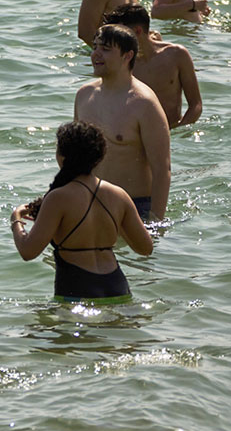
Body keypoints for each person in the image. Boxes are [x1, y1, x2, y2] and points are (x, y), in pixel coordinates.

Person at [10, 122, 152, 302]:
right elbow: (145, 248)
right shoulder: (119, 195)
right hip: (117, 287)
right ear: (99, 157)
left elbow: (28, 251)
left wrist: (16, 220)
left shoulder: (57, 198)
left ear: (62, 157)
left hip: (76, 288)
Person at [74, 25, 170, 220]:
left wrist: (156, 220)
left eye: (106, 49)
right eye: (95, 47)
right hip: (89, 201)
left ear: (127, 56)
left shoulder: (144, 103)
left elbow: (162, 169)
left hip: (133, 208)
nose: (96, 55)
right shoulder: (84, 95)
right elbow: (74, 157)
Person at [102, 4, 203, 128]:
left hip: (172, 130)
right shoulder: (119, 62)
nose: (115, 40)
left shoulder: (177, 55)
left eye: (119, 35)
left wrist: (178, 132)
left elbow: (196, 105)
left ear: (138, 31)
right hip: (134, 135)